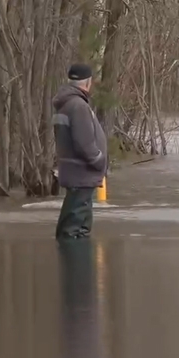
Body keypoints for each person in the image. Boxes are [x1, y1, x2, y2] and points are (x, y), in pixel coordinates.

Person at [52, 63, 108, 240]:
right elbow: (83, 142)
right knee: (75, 227)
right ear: (88, 82)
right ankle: (76, 264)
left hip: (75, 172)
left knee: (74, 223)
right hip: (82, 173)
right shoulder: (78, 106)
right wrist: (98, 159)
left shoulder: (66, 104)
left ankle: (76, 263)